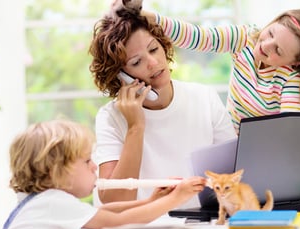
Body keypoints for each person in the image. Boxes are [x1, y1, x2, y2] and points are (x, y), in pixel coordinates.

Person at [0, 119, 206, 229]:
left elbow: (102, 213)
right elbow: (115, 222)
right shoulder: (52, 202)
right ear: (57, 171)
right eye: (87, 161)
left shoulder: (44, 203)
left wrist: (152, 200)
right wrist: (175, 199)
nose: (94, 166)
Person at [88, 8, 236, 207]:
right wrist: (135, 127)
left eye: (153, 49)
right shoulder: (110, 117)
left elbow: (235, 177)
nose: (153, 62)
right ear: (119, 75)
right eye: (136, 61)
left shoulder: (204, 97)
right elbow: (115, 202)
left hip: (202, 225)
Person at [120, 1, 300, 131]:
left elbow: (286, 132)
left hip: (258, 153)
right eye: (270, 33)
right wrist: (152, 18)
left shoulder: (291, 81)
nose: (265, 45)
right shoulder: (246, 38)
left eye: (278, 51)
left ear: (295, 63)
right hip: (225, 139)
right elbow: (199, 38)